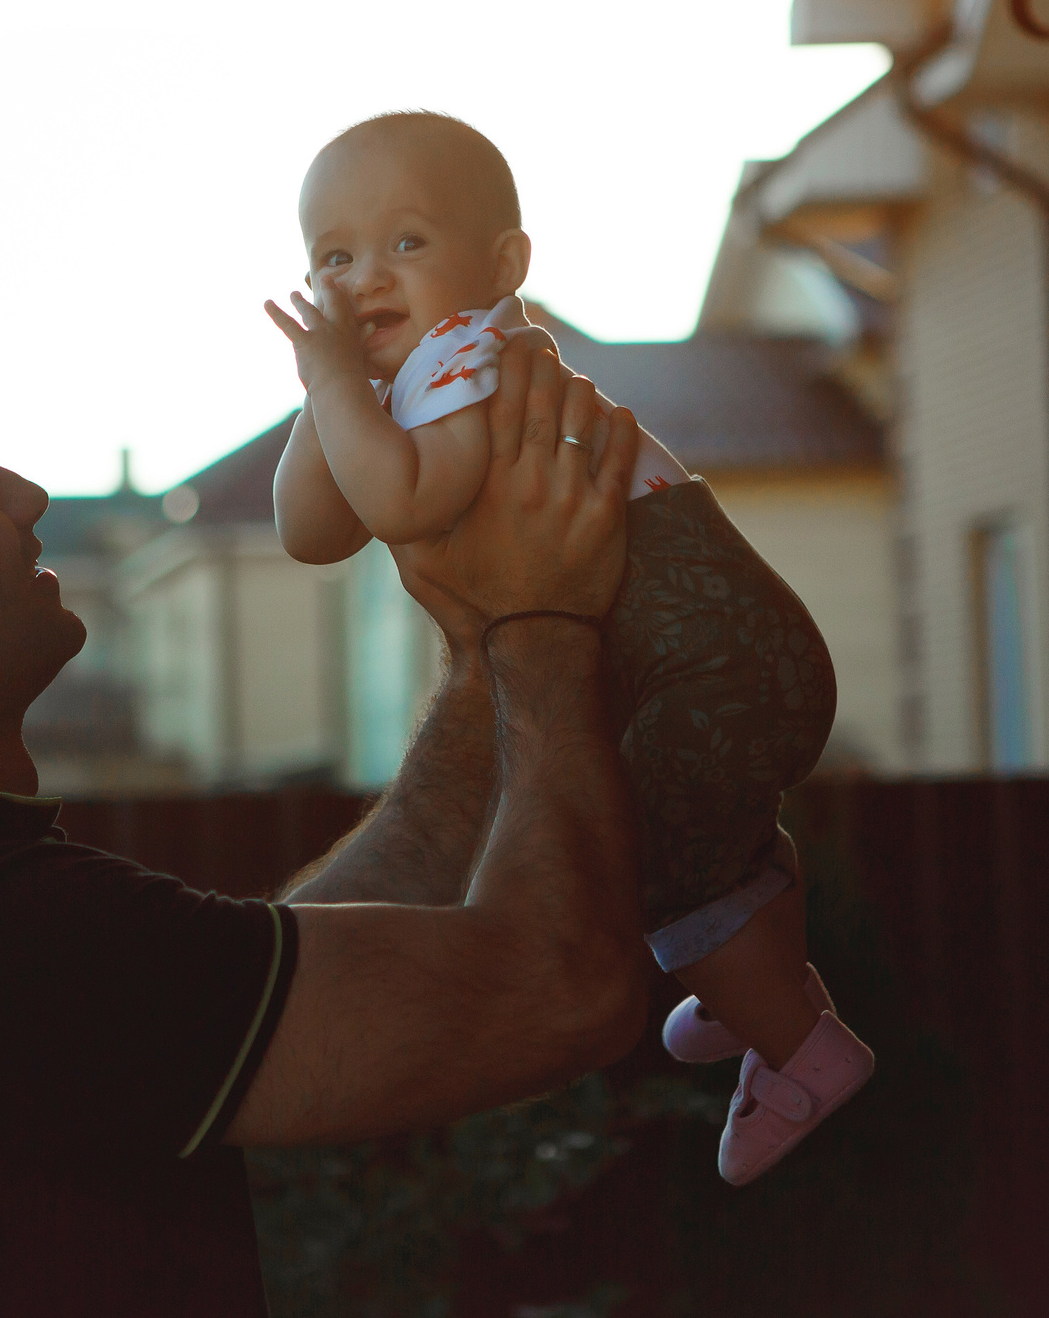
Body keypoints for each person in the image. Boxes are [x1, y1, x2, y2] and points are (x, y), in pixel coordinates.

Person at [0, 329, 647, 1318]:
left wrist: (478, 658)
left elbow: (240, 996)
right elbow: (562, 987)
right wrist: (546, 622)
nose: (28, 496)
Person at [265, 111, 874, 1184]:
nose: (366, 276)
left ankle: (800, 1049)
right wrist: (331, 392)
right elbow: (312, 533)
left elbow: (408, 502)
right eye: (333, 255)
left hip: (709, 662)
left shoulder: (475, 353)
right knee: (679, 837)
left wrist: (333, 391)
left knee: (639, 855)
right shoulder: (405, 380)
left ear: (500, 266)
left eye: (406, 242)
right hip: (706, 664)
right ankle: (752, 988)